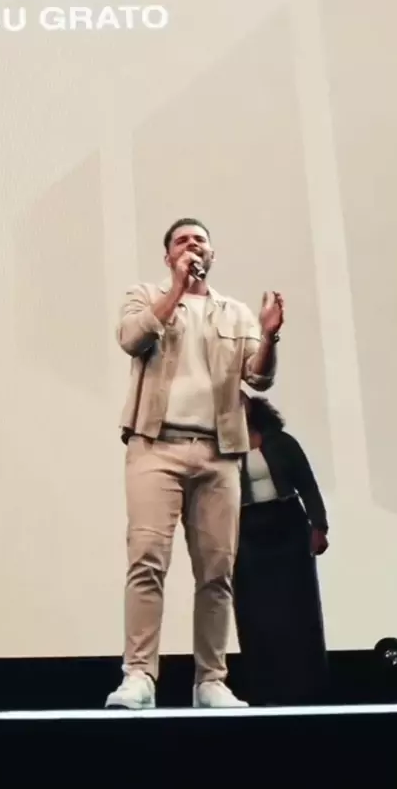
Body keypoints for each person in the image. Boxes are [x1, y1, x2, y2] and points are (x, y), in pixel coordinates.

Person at [105, 218, 284, 709]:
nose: (192, 246)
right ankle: (139, 676)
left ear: (212, 254)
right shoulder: (145, 296)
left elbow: (259, 378)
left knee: (217, 572)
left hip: (218, 453)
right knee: (147, 562)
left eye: (200, 240)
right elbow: (132, 338)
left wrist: (269, 338)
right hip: (155, 446)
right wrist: (176, 292)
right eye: (182, 241)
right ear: (168, 257)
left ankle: (211, 680)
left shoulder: (236, 313)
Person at [233, 394, 329, 706]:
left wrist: (319, 526)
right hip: (247, 530)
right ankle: (264, 689)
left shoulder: (281, 442)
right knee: (254, 611)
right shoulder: (223, 449)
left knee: (297, 607)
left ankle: (307, 688)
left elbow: (307, 485)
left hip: (287, 525)